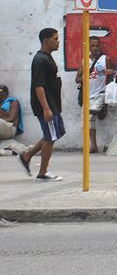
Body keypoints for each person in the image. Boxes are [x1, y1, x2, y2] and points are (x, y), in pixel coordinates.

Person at [19, 28, 64, 181]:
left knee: (55, 133)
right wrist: (46, 108)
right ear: (46, 41)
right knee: (50, 137)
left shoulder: (47, 57)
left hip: (53, 104)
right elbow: (38, 86)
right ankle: (43, 172)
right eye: (55, 39)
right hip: (46, 105)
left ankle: (27, 156)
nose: (58, 42)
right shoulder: (40, 60)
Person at [75, 36, 112, 153]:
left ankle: (100, 108)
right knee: (87, 122)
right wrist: (84, 77)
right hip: (87, 95)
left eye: (97, 45)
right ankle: (94, 146)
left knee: (91, 114)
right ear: (89, 47)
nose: (95, 48)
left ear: (100, 46)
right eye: (92, 45)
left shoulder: (105, 59)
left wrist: (107, 72)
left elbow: (113, 73)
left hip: (101, 92)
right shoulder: (84, 61)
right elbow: (77, 79)